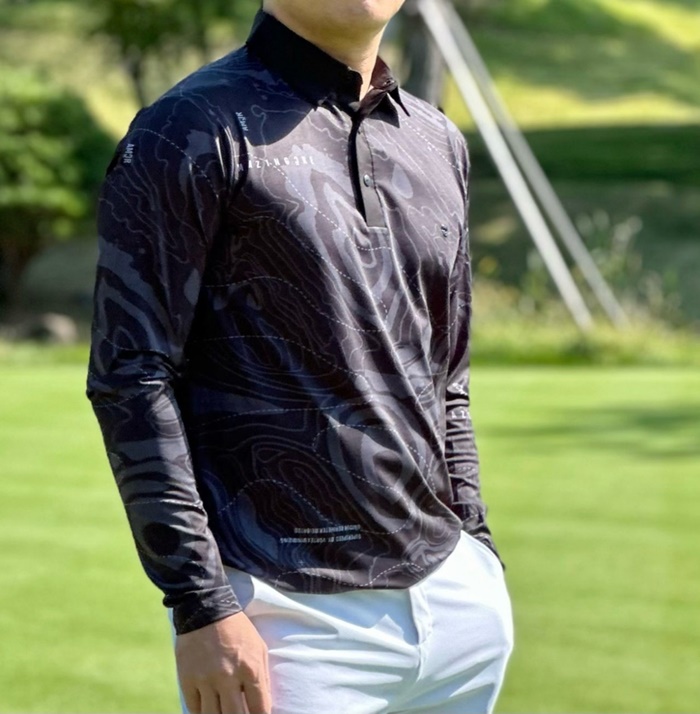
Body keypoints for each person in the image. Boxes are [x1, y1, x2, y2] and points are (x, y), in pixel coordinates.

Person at [87, 1, 513, 712]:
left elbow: (449, 378)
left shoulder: (437, 139)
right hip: (285, 625)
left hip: (457, 610)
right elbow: (132, 375)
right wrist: (200, 604)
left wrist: (477, 547)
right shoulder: (186, 128)